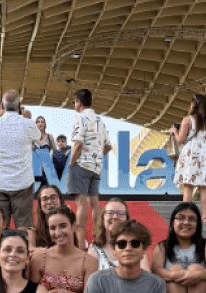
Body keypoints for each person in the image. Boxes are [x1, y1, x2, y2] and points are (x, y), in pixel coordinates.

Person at [0, 90, 41, 231]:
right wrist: (28, 118)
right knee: (25, 228)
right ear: (19, 105)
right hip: (23, 183)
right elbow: (38, 136)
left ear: (2, 105)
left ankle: (0, 253)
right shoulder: (27, 124)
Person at [69, 88, 111, 246]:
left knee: (80, 203)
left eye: (74, 102)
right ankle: (97, 239)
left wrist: (72, 162)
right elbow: (108, 146)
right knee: (94, 202)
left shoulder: (80, 117)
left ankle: (80, 244)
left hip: (82, 164)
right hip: (96, 166)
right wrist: (97, 157)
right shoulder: (100, 120)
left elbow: (78, 143)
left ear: (78, 102)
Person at [170, 94, 206, 222]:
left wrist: (174, 132)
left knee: (188, 186)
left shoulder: (188, 120)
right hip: (204, 152)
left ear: (193, 105)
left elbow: (180, 140)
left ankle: (186, 215)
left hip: (190, 151)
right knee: (203, 187)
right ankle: (204, 216)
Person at [87, 197, 150, 271]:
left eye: (120, 213)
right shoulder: (94, 250)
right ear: (103, 217)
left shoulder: (137, 246)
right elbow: (90, 281)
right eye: (110, 213)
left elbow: (146, 278)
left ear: (127, 219)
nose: (115, 217)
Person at [27, 184, 66, 251]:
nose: (49, 202)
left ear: (60, 200)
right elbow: (31, 252)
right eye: (45, 199)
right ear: (40, 204)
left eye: (53, 198)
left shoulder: (71, 228)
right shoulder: (33, 232)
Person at [33, 116, 57, 186]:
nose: (40, 124)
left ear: (45, 124)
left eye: (42, 122)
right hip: (34, 167)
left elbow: (55, 151)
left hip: (46, 168)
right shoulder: (32, 137)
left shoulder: (49, 136)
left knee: (45, 187)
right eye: (38, 122)